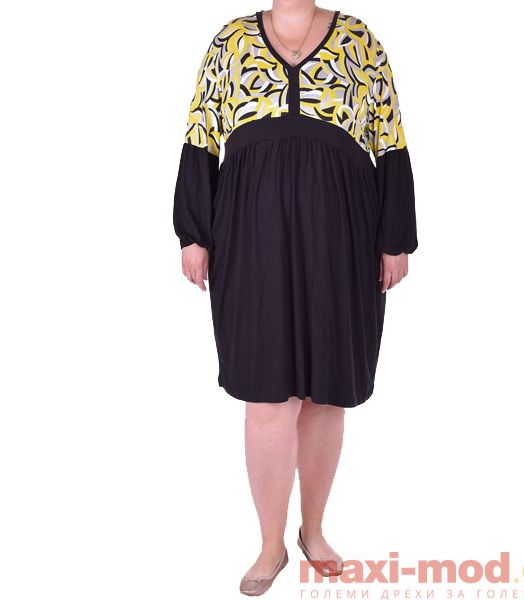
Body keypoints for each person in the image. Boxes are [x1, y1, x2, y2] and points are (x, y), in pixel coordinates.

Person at [172, 2, 418, 595]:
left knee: (326, 393)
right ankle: (270, 544)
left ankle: (315, 530)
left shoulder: (359, 40)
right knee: (266, 395)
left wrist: (395, 238)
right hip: (250, 232)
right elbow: (201, 138)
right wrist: (193, 233)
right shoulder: (230, 42)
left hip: (343, 233)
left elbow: (390, 142)